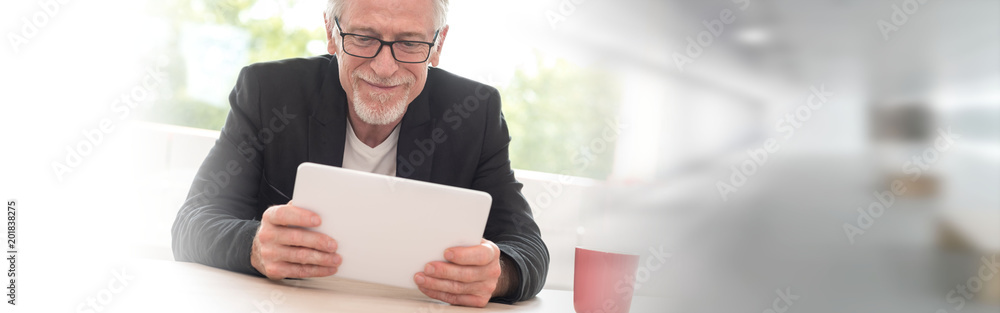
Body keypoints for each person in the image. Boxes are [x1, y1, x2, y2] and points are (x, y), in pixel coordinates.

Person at [170, 0, 549, 307]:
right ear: (331, 34)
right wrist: (254, 245)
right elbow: (192, 223)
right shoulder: (268, 92)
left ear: (438, 45)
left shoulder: (473, 113)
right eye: (364, 38)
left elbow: (529, 249)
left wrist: (497, 274)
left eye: (410, 43)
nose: (385, 67)